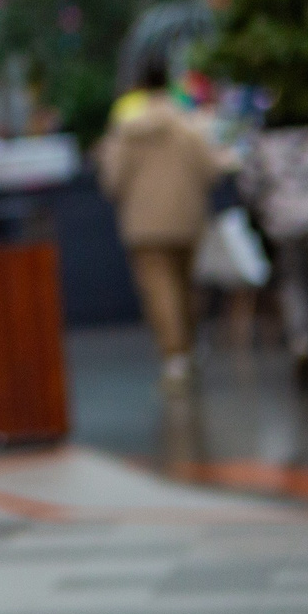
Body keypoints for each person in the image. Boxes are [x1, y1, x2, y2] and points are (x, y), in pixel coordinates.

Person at [93, 63, 232, 386]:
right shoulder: (188, 125)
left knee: (158, 289)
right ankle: (189, 346)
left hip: (143, 223)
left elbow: (112, 180)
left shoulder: (125, 131)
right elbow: (212, 170)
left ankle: (174, 356)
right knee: (186, 287)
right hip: (187, 218)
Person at [247, 115, 308, 389]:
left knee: (293, 284)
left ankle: (301, 339)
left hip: (284, 219)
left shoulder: (264, 137)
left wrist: (264, 214)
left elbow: (252, 184)